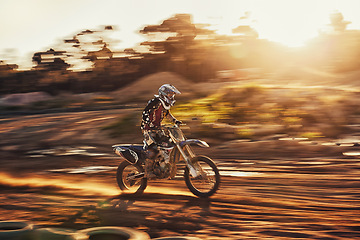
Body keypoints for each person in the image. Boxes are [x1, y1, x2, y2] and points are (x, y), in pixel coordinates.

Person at [141, 84, 182, 178]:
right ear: (164, 94)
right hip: (148, 130)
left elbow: (167, 114)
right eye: (170, 95)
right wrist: (149, 123)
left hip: (158, 129)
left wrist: (175, 120)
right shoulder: (155, 102)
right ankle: (148, 171)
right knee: (153, 149)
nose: (172, 97)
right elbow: (145, 113)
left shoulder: (164, 105)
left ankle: (165, 166)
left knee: (169, 144)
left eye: (172, 95)